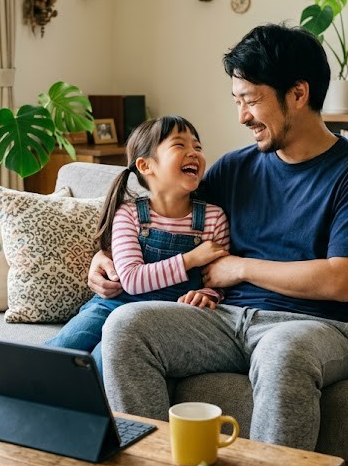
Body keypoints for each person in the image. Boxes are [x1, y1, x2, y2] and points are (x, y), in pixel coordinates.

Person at [88, 23, 348, 451]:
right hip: (226, 320)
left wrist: (240, 267)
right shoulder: (235, 168)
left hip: (316, 327)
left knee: (282, 353)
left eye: (251, 99)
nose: (242, 116)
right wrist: (103, 255)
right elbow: (160, 206)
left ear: (298, 94)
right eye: (237, 100)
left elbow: (340, 282)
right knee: (125, 325)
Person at [43, 115, 230, 372]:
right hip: (113, 303)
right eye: (180, 145)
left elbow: (217, 281)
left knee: (104, 358)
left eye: (197, 147)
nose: (193, 153)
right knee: (65, 344)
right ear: (145, 165)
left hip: (165, 315)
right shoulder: (128, 214)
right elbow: (131, 279)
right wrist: (191, 259)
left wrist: (207, 295)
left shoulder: (214, 218)